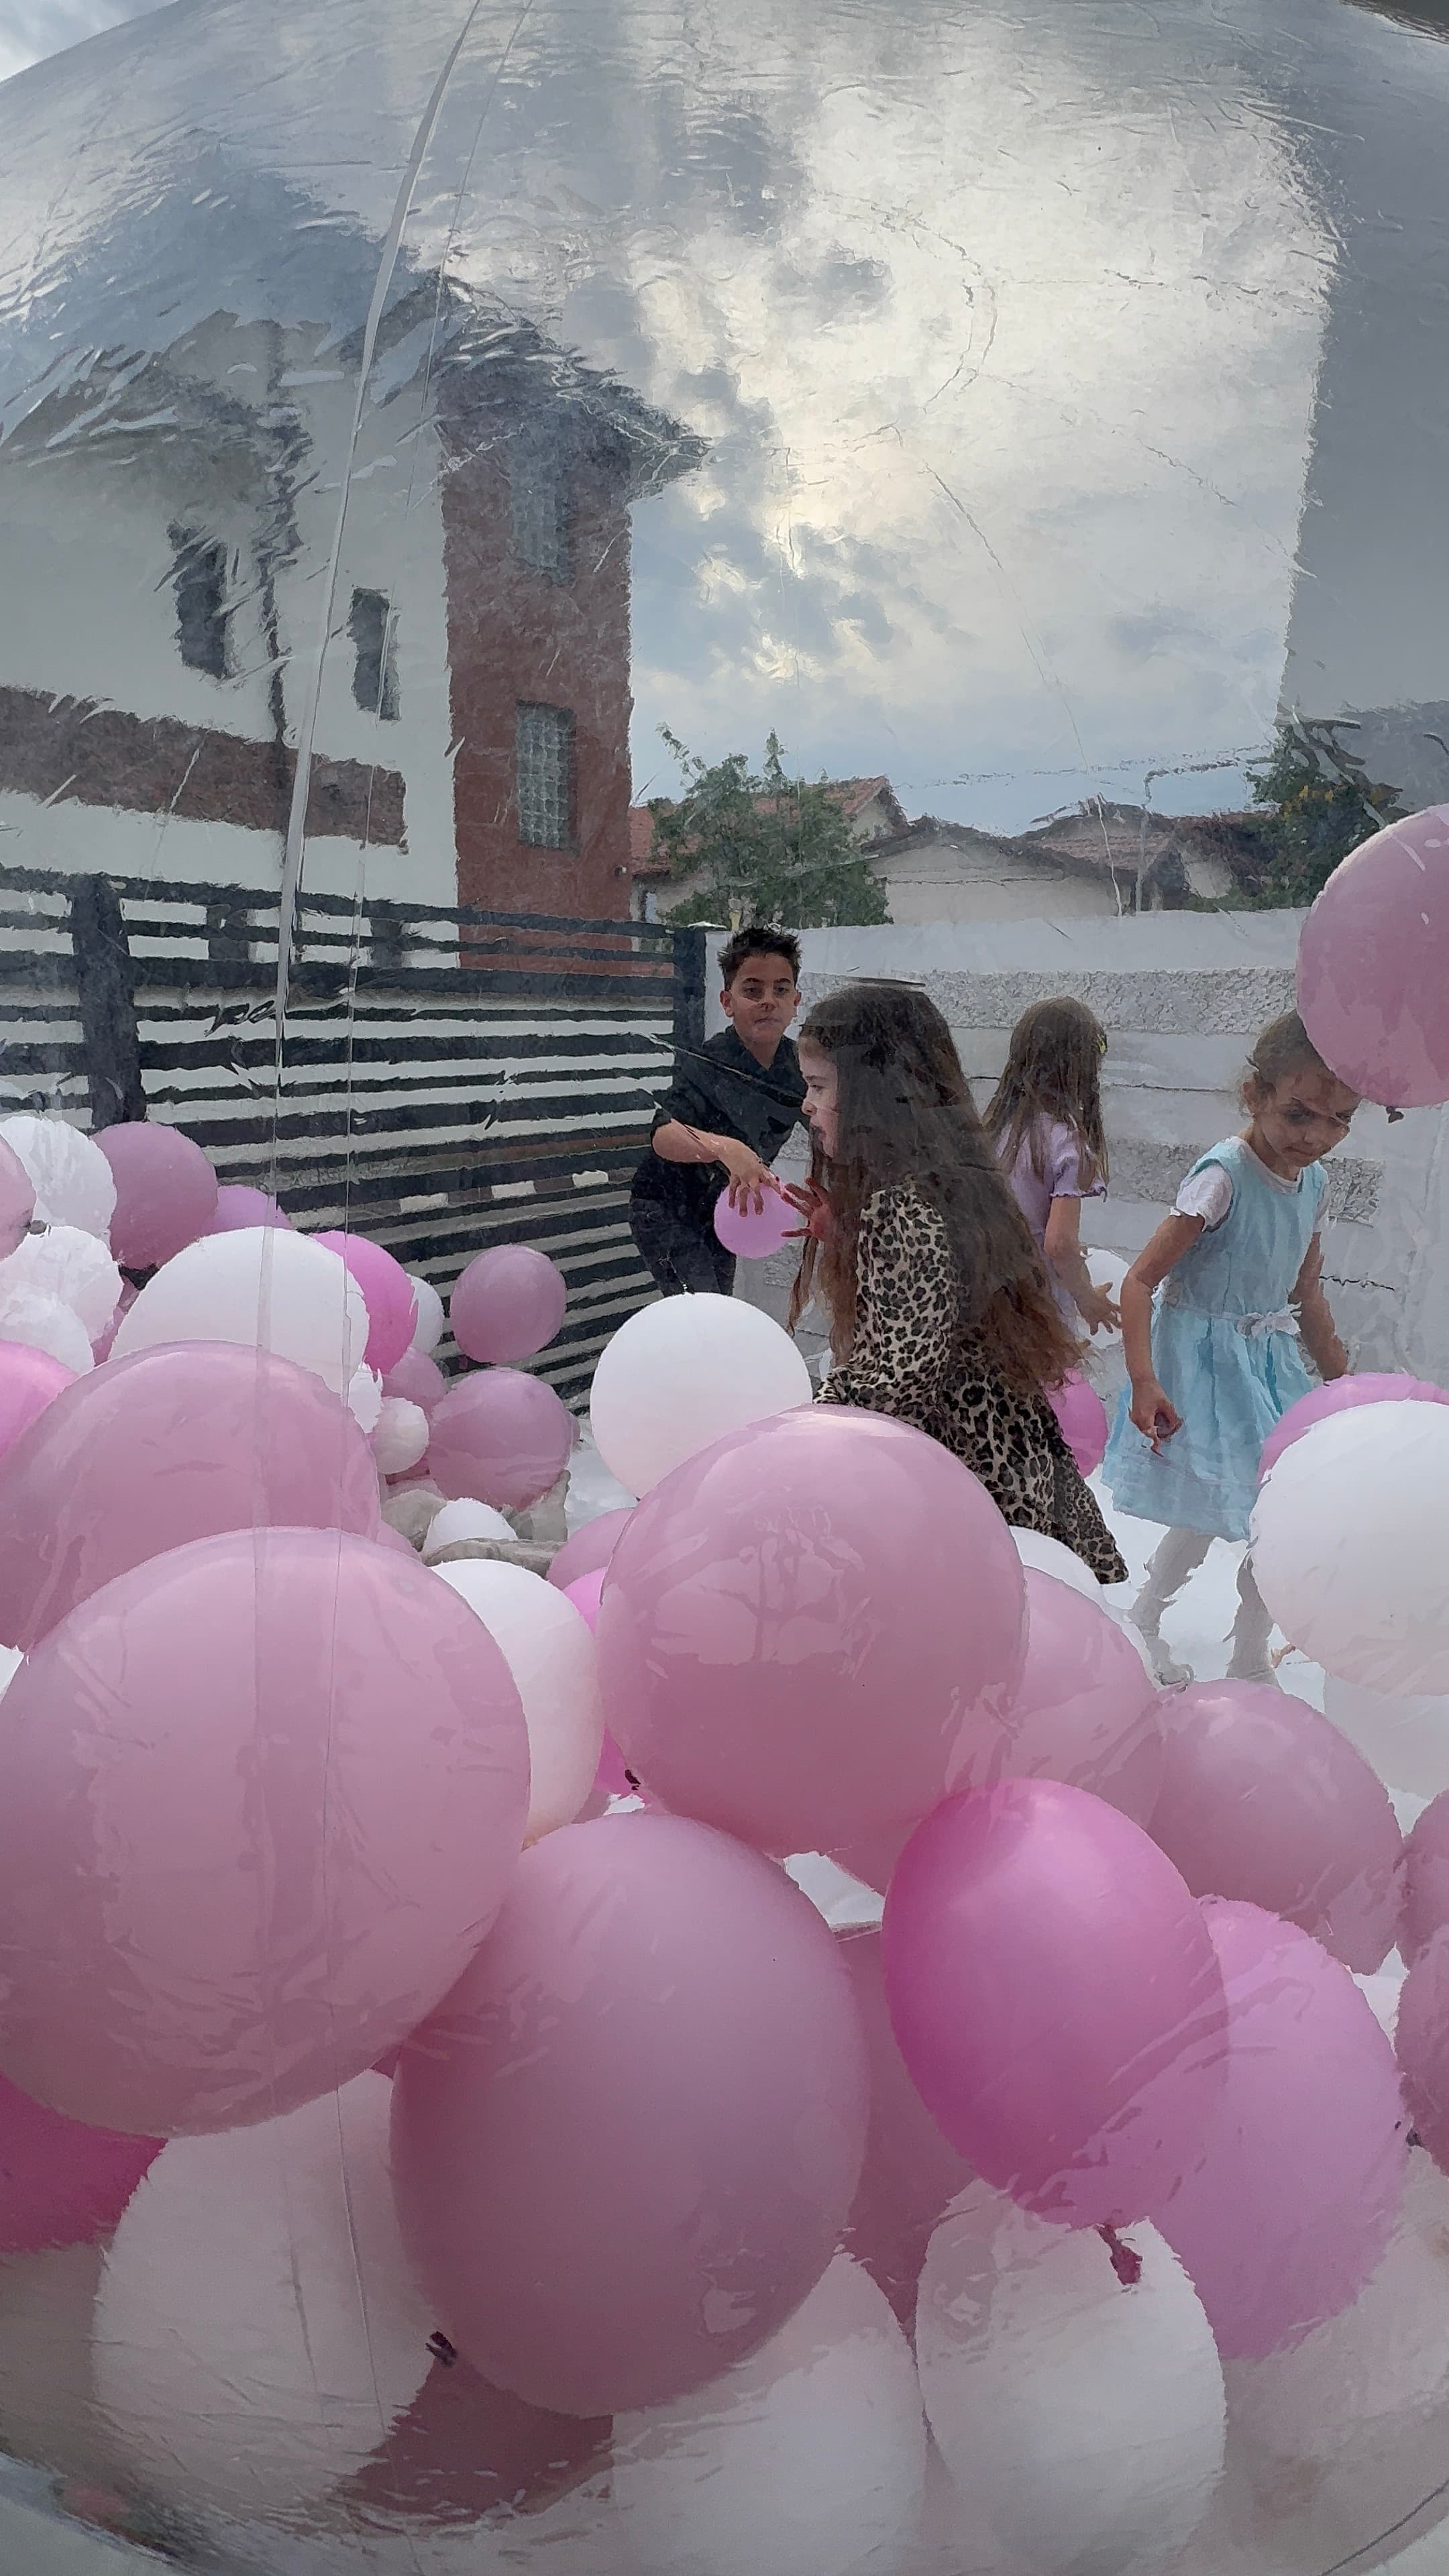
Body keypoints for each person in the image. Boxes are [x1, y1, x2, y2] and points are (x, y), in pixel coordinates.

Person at [788, 980, 1128, 1585]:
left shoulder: (901, 1202)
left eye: (818, 1087)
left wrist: (798, 1429)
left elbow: (901, 1372)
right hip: (1007, 1456)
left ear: (875, 1094)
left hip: (961, 1471)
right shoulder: (947, 1178)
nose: (806, 1106)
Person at [1103, 1011, 1356, 1686]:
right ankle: (1146, 1618)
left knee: (1278, 1511)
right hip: (1203, 1364)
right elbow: (1139, 1280)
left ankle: (1249, 1651)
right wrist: (1145, 1379)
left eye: (1340, 1121)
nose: (1319, 1137)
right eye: (1300, 1115)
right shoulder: (1223, 1176)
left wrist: (1345, 1388)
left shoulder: (1317, 1184)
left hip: (1265, 1367)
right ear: (1256, 1096)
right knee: (1222, 1503)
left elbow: (1305, 1292)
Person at [629, 926, 806, 1297]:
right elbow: (663, 1135)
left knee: (718, 1302)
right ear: (727, 1002)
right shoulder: (711, 1061)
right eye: (752, 991)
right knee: (701, 1307)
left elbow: (825, 1127)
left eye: (781, 989)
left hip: (719, 1210)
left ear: (796, 1001)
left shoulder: (798, 1067)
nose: (768, 1001)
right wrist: (727, 1149)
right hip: (664, 1207)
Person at [983, 996, 1121, 1336]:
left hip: (986, 1289)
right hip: (1036, 1302)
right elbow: (1058, 1244)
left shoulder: (995, 1128)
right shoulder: (1066, 1143)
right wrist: (1086, 1298)